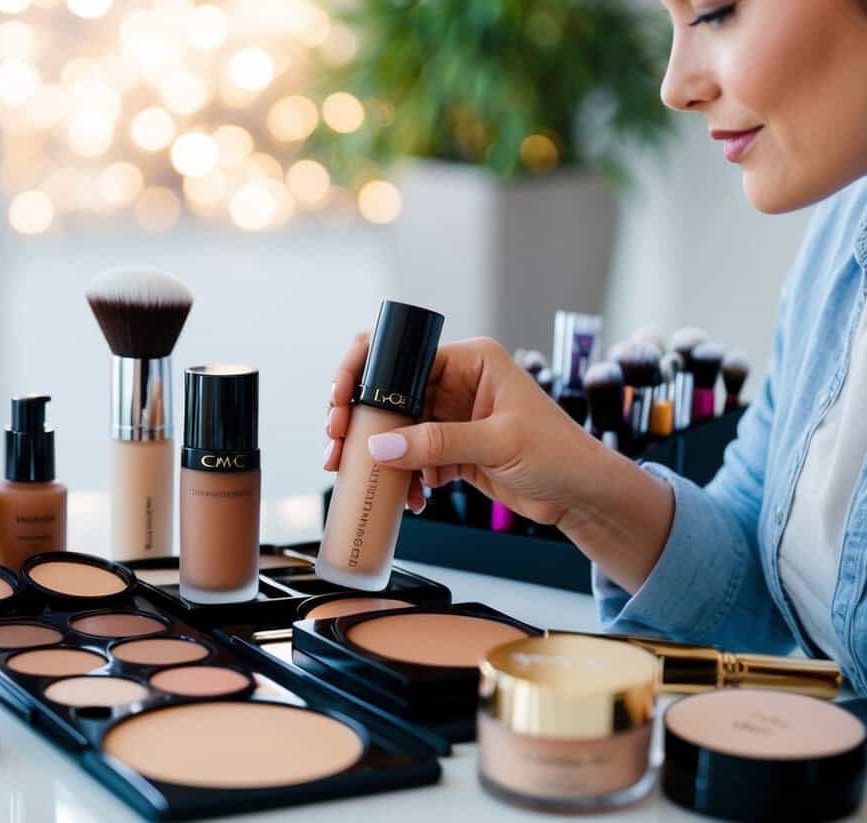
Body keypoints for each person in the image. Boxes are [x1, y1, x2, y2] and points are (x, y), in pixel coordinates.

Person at [323, 0, 867, 692]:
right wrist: (579, 487)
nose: (675, 86)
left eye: (717, 12)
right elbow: (754, 590)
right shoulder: (837, 238)